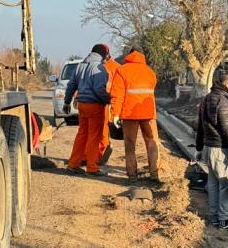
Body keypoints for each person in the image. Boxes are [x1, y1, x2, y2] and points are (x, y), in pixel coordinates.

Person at [194, 75, 228, 229]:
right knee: (226, 186)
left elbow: (200, 127)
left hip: (208, 149)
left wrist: (198, 149)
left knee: (212, 185)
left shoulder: (206, 99)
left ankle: (214, 218)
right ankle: (224, 220)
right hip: (221, 151)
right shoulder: (224, 103)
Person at [109, 47, 160, 181]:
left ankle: (132, 175)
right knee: (152, 142)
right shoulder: (150, 71)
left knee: (130, 144)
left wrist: (115, 114)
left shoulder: (122, 70)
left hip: (130, 113)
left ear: (129, 55)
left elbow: (117, 95)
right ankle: (154, 173)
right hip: (149, 113)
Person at [64, 44, 110, 176]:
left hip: (82, 105)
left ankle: (73, 165)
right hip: (95, 105)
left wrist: (67, 102)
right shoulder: (99, 67)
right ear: (103, 54)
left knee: (82, 135)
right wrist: (108, 99)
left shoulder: (80, 65)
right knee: (94, 137)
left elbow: (71, 85)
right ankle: (92, 168)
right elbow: (99, 89)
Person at [80, 45, 119, 166]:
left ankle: (98, 157)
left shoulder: (116, 68)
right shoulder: (95, 65)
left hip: (107, 103)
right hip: (98, 101)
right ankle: (87, 157)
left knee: (102, 133)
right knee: (89, 132)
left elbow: (119, 88)